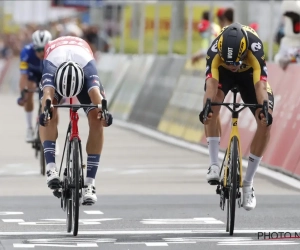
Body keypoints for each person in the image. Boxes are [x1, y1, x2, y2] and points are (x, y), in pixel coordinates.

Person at [199, 23, 274, 211]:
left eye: (236, 62)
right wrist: (207, 106)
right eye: (228, 61)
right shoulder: (215, 49)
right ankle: (214, 165)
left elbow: (260, 87)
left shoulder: (255, 47)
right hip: (222, 76)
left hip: (250, 76)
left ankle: (248, 184)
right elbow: (211, 85)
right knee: (210, 107)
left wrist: (264, 107)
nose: (233, 66)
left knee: (265, 120)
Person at [39, 36, 113, 205]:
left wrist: (104, 113)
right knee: (48, 113)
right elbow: (48, 95)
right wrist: (46, 113)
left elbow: (96, 95)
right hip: (57, 65)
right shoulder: (50, 68)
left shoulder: (89, 70)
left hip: (81, 64)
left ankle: (90, 184)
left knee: (96, 118)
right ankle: (51, 168)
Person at [17, 30, 52, 142]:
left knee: (53, 101)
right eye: (38, 49)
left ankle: (53, 137)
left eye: (44, 49)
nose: (41, 53)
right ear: (33, 47)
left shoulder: (54, 51)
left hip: (47, 74)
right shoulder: (26, 52)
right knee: (29, 91)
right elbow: (23, 76)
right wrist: (23, 94)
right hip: (33, 74)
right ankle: (29, 128)